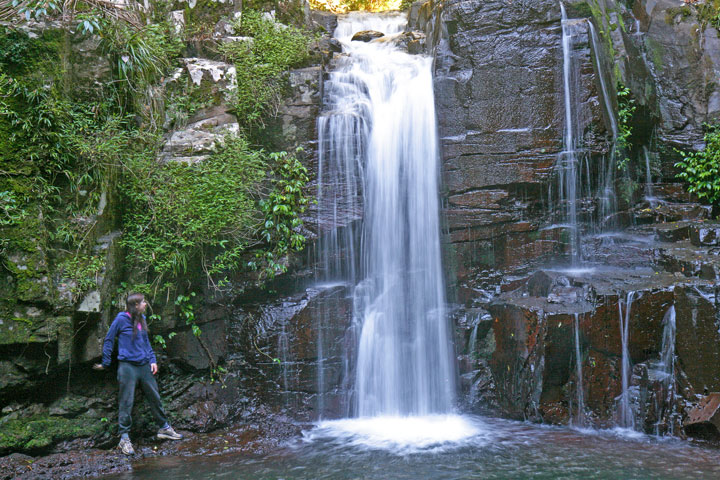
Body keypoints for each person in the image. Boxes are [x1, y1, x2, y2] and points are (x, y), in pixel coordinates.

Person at [94, 293, 183, 455]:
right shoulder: (121, 319)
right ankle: (124, 439)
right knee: (126, 401)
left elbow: (146, 342)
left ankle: (164, 428)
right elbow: (109, 339)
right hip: (127, 367)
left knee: (155, 397)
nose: (145, 304)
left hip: (143, 366)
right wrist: (106, 362)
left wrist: (152, 359)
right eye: (143, 302)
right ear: (135, 305)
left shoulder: (140, 319)